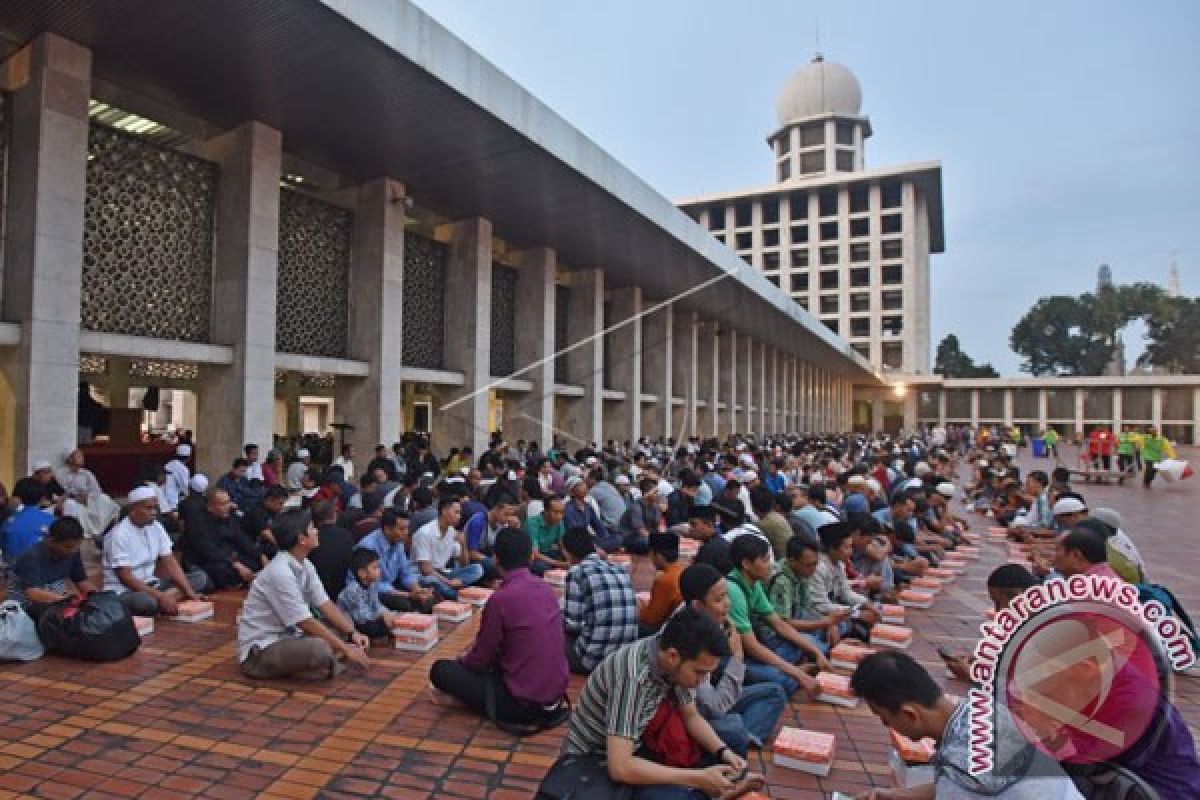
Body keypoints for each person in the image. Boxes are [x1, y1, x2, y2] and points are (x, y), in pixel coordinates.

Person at [557, 607, 755, 800]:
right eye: (700, 672)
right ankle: (705, 791)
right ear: (672, 656)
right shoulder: (633, 678)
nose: (702, 681)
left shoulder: (673, 661)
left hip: (635, 744)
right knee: (675, 794)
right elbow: (619, 767)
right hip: (593, 761)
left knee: (734, 738)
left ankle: (715, 788)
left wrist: (724, 752)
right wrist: (698, 779)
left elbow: (691, 716)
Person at [850, 650, 1085, 799]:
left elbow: (960, 786)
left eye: (886, 720)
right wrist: (902, 795)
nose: (887, 726)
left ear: (910, 714)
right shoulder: (982, 707)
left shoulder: (961, 766)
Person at [429, 527, 570, 730]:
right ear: (531, 557)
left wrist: (462, 661)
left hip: (521, 705)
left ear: (496, 559)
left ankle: (465, 702)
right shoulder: (547, 590)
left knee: (441, 670)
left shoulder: (501, 599)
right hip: (555, 699)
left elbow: (479, 660)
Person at [237, 509, 370, 680]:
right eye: (312, 528)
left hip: (292, 636)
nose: (317, 531)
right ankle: (322, 662)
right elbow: (305, 622)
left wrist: (353, 634)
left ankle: (314, 664)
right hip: (262, 649)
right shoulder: (279, 572)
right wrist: (346, 649)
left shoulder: (305, 564)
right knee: (319, 648)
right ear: (302, 539)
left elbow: (324, 604)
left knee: (345, 622)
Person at [681, 563, 787, 755]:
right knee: (732, 727)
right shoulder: (691, 640)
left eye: (727, 596)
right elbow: (714, 707)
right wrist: (737, 657)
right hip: (697, 713)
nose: (728, 604)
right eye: (719, 599)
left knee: (775, 691)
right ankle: (737, 739)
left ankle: (743, 736)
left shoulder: (710, 621)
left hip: (712, 699)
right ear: (697, 605)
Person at [726, 533, 825, 697]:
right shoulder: (733, 591)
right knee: (784, 683)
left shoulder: (753, 583)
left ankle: (789, 668)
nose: (770, 565)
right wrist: (797, 673)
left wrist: (816, 652)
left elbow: (779, 624)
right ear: (746, 564)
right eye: (764, 560)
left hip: (752, 650)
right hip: (730, 659)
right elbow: (752, 646)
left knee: (807, 645)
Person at [103, 486, 210, 616]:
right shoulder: (118, 535)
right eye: (148, 508)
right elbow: (126, 578)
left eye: (155, 508)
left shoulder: (156, 527)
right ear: (133, 509)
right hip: (126, 590)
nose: (154, 512)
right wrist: (160, 596)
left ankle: (169, 597)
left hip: (153, 584)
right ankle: (168, 597)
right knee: (147, 603)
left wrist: (189, 592)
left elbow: (169, 560)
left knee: (200, 578)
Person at [561, 526, 639, 674]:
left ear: (567, 552)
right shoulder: (620, 569)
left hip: (592, 661)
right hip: (623, 659)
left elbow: (572, 625)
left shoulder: (577, 572)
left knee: (548, 635)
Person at [766, 536, 848, 654]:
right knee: (820, 647)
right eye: (809, 565)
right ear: (792, 561)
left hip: (796, 615)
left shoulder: (803, 572)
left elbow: (808, 607)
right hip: (774, 631)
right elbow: (782, 623)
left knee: (839, 626)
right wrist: (825, 622)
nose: (814, 569)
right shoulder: (781, 581)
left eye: (816, 563)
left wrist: (830, 624)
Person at [7, 517, 96, 615]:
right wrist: (70, 603)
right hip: (26, 606)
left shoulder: (72, 552)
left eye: (77, 546)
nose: (73, 551)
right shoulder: (31, 556)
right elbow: (32, 593)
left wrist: (97, 598)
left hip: (56, 599)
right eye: (67, 547)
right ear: (51, 541)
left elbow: (82, 580)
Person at [181, 487, 264, 589]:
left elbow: (242, 539)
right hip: (205, 560)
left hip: (230, 556)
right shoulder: (197, 523)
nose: (228, 506)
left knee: (255, 561)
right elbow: (210, 551)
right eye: (223, 504)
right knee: (223, 570)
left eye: (228, 502)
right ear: (210, 507)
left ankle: (241, 579)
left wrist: (260, 555)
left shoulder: (230, 517)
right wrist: (235, 564)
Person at [357, 509, 435, 613]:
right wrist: (407, 595)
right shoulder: (368, 547)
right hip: (370, 592)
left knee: (430, 596)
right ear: (387, 529)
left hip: (390, 585)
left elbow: (405, 572)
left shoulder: (398, 542)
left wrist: (417, 590)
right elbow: (371, 585)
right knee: (405, 604)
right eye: (402, 529)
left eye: (407, 528)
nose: (406, 533)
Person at [412, 497, 484, 600]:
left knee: (477, 568)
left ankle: (454, 591)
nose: (459, 517)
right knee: (431, 581)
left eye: (459, 513)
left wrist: (463, 544)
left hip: (443, 573)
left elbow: (464, 564)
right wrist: (448, 582)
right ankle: (457, 593)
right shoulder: (425, 533)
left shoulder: (451, 531)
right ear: (444, 511)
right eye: (456, 512)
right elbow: (426, 570)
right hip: (423, 575)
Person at [336, 548, 401, 638]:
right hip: (353, 621)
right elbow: (360, 617)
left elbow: (377, 604)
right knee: (374, 628)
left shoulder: (372, 585)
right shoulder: (352, 591)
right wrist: (381, 616)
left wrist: (388, 613)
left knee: (391, 620)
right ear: (362, 573)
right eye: (375, 567)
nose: (379, 571)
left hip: (368, 617)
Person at [306, 500, 356, 601]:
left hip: (317, 592)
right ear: (334, 515)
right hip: (341, 590)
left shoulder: (309, 540)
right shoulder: (346, 535)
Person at [638, 533, 685, 636]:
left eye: (650, 554)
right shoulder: (683, 571)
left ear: (658, 556)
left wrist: (639, 610)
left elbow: (652, 619)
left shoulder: (664, 580)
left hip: (666, 631)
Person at [2, 482, 55, 564]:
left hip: (13, 567)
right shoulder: (52, 520)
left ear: (20, 498)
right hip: (41, 567)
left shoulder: (7, 522)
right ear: (42, 499)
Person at [564, 476, 621, 552]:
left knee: (617, 538)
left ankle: (599, 548)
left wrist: (606, 538)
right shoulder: (568, 509)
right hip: (577, 542)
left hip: (590, 540)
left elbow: (598, 526)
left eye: (583, 483)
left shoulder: (587, 506)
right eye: (579, 485)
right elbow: (575, 533)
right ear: (572, 492)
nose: (584, 486)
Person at [524, 495, 568, 575]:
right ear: (546, 511)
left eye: (561, 512)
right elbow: (535, 554)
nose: (559, 516)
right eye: (555, 512)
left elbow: (562, 545)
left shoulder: (559, 522)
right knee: (542, 567)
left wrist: (568, 560)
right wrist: (559, 564)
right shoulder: (532, 524)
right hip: (532, 557)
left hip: (549, 553)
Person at [619, 478, 661, 555]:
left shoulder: (655, 506)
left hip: (647, 536)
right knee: (649, 542)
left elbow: (658, 527)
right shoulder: (636, 507)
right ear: (646, 493)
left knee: (671, 538)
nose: (657, 495)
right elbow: (641, 531)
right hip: (631, 538)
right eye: (655, 492)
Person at [688, 505, 732, 576]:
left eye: (693, 525)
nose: (691, 529)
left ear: (709, 525)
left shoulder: (710, 549)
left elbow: (698, 577)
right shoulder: (720, 542)